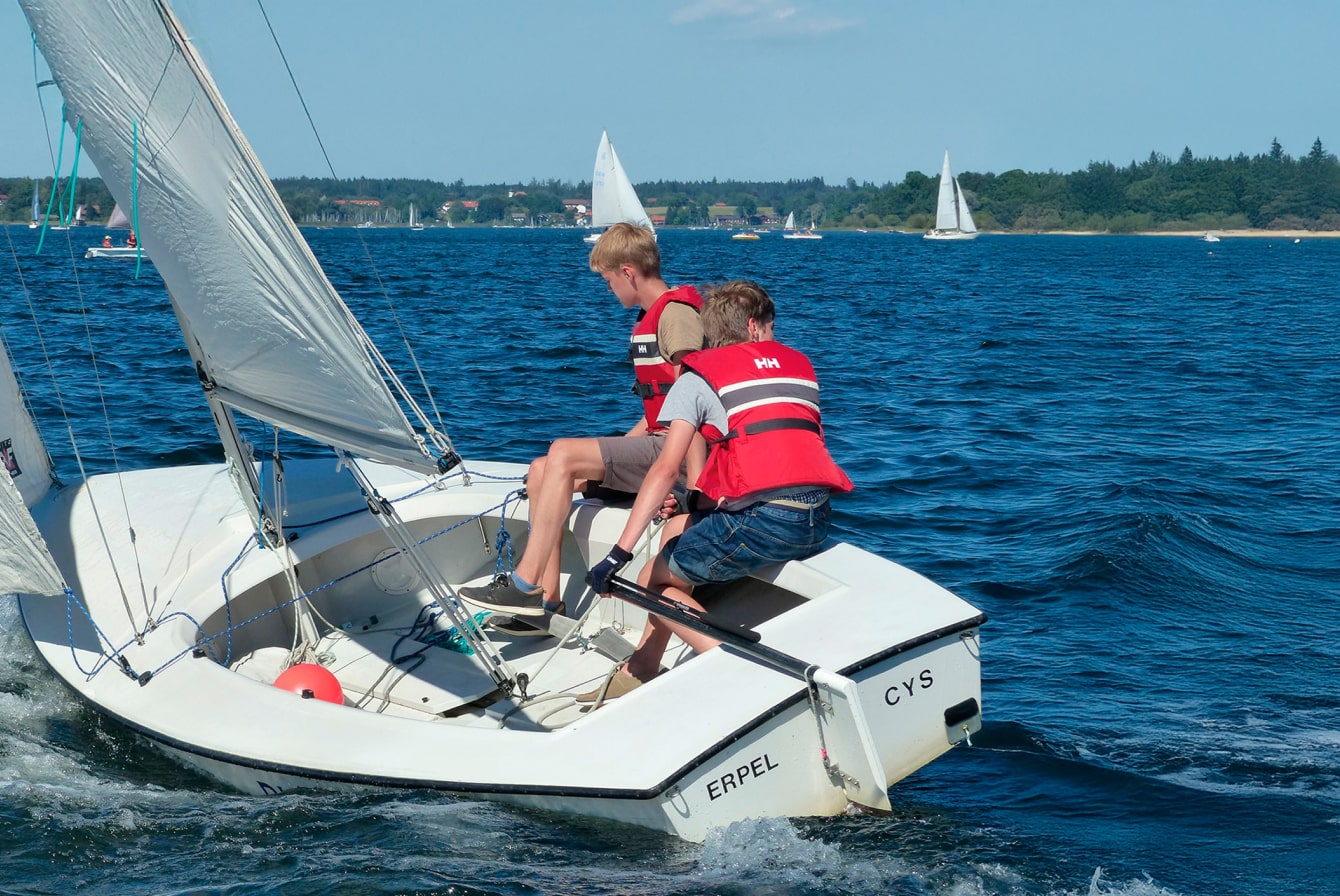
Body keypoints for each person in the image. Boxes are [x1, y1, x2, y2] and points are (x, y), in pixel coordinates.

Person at [580, 279, 852, 703]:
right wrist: (696, 502)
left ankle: (736, 667)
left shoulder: (697, 378)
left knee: (651, 580)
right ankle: (644, 665)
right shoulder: (799, 365)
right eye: (771, 326)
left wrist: (618, 555)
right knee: (678, 530)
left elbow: (664, 468)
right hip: (817, 517)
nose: (774, 335)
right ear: (755, 327)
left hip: (767, 523)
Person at [459, 223, 704, 629]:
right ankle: (546, 603)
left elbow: (695, 397)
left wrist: (687, 488)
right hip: (657, 447)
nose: (608, 290)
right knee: (541, 471)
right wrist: (618, 447)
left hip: (675, 455)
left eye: (608, 281)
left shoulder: (676, 316)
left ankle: (522, 583)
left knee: (563, 452)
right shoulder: (650, 317)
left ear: (628, 272)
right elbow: (660, 407)